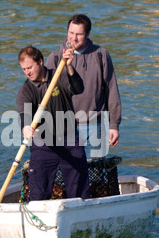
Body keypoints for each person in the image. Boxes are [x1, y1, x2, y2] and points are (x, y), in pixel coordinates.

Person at [16, 45, 90, 201]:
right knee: (38, 191)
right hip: (43, 144)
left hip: (70, 139)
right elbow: (23, 113)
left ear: (41, 62)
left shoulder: (59, 76)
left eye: (30, 67)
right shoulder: (26, 90)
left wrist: (69, 66)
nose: (27, 72)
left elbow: (78, 88)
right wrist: (26, 127)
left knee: (78, 190)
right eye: (24, 69)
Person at [45, 14, 121, 158]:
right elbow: (45, 94)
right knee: (70, 176)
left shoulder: (101, 55)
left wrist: (114, 125)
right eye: (71, 33)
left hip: (96, 125)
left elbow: (112, 91)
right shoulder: (55, 58)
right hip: (65, 127)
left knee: (96, 173)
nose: (74, 38)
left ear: (87, 34)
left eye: (79, 34)